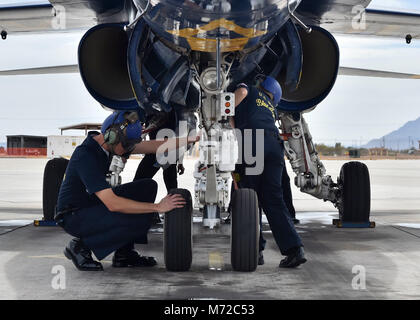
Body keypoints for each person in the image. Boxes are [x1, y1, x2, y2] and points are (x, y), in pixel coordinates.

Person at [55, 111, 193, 271]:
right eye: (127, 145)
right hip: (73, 216)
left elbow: (154, 146)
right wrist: (157, 207)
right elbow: (113, 204)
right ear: (112, 136)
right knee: (138, 218)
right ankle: (81, 246)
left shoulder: (110, 144)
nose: (128, 150)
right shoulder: (86, 155)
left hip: (89, 204)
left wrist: (188, 140)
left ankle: (124, 254)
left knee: (147, 186)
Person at [231, 76, 306, 268]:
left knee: (247, 197)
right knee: (274, 199)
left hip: (253, 142)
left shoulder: (250, 89)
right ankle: (294, 249)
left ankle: (254, 251)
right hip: (275, 147)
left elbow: (242, 92)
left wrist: (227, 116)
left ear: (262, 86)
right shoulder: (271, 108)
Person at [134, 111, 185, 224]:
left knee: (139, 181)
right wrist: (180, 160)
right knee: (170, 185)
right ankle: (171, 215)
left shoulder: (154, 111)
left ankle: (154, 213)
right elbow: (180, 136)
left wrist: (180, 161)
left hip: (157, 152)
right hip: (167, 152)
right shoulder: (173, 112)